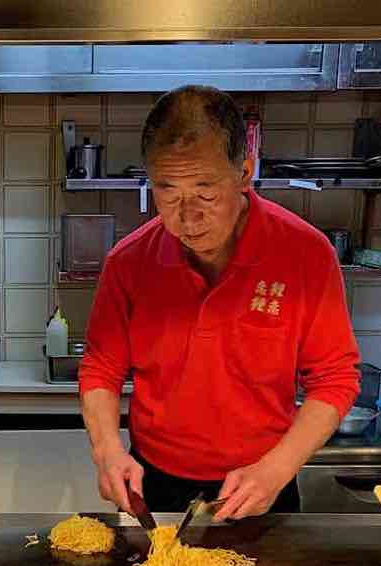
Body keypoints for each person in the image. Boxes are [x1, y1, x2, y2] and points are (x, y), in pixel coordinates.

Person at [78, 85, 360, 520]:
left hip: (260, 483)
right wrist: (108, 452)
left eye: (205, 190)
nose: (187, 215)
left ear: (245, 172)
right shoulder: (129, 262)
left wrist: (276, 469)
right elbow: (101, 365)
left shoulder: (306, 254)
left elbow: (335, 377)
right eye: (168, 192)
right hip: (156, 485)